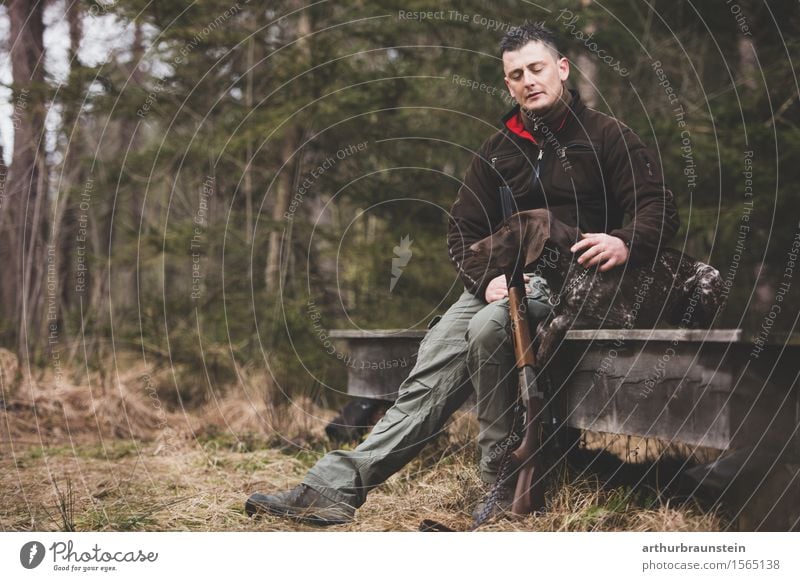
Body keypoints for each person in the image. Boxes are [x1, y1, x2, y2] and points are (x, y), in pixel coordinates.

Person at [245, 22, 679, 525]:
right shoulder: (496, 150)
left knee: (489, 329)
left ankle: (495, 492)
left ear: (561, 69)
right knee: (429, 372)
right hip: (500, 283)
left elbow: (658, 205)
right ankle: (330, 490)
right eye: (516, 74)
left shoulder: (608, 135)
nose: (528, 80)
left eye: (537, 68)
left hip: (572, 283)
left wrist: (624, 240)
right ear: (508, 85)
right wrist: (483, 282)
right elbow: (461, 231)